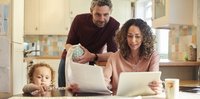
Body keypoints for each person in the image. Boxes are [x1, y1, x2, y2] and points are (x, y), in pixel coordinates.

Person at [58, 0, 120, 87]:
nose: (102, 19)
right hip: (71, 59)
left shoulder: (114, 25)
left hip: (93, 61)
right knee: (64, 90)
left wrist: (92, 57)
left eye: (106, 15)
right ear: (91, 11)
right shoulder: (79, 20)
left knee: (87, 92)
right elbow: (68, 44)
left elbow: (113, 54)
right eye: (98, 14)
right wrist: (76, 55)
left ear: (111, 12)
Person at [103, 18, 162, 95]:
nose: (133, 40)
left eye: (137, 36)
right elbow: (104, 82)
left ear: (144, 38)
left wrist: (157, 87)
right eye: (130, 36)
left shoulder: (153, 56)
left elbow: (154, 81)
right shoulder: (114, 58)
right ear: (125, 37)